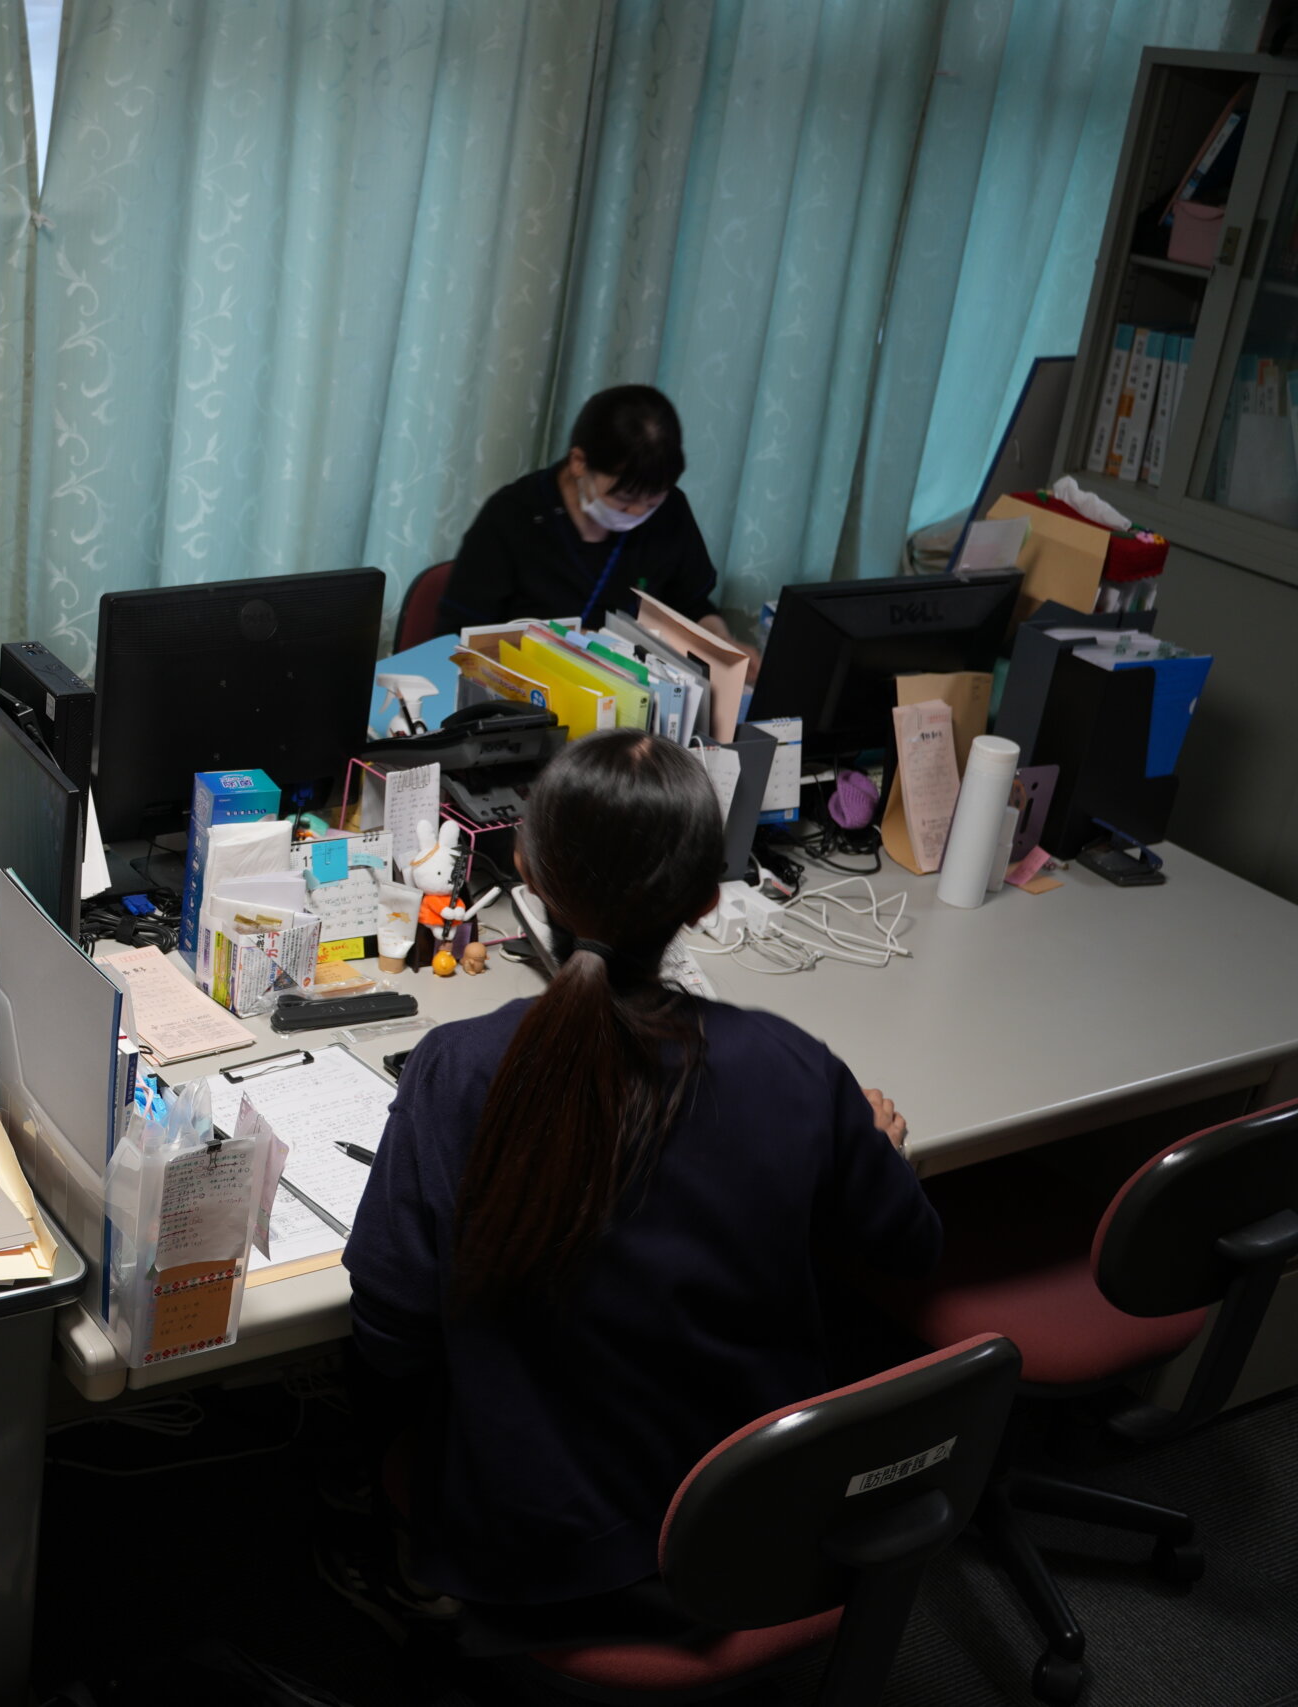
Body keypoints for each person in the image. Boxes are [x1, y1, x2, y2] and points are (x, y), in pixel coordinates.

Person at [340, 729, 936, 1632]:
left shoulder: (457, 1067)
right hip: (748, 1526)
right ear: (707, 899)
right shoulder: (794, 1068)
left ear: (528, 874)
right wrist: (875, 1150)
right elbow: (911, 1250)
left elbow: (389, 1333)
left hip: (536, 1549)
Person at [443, 385, 740, 642]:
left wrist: (719, 640)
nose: (639, 511)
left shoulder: (671, 511)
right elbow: (457, 634)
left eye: (653, 499)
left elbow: (690, 605)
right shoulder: (512, 517)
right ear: (579, 463)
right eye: (624, 498)